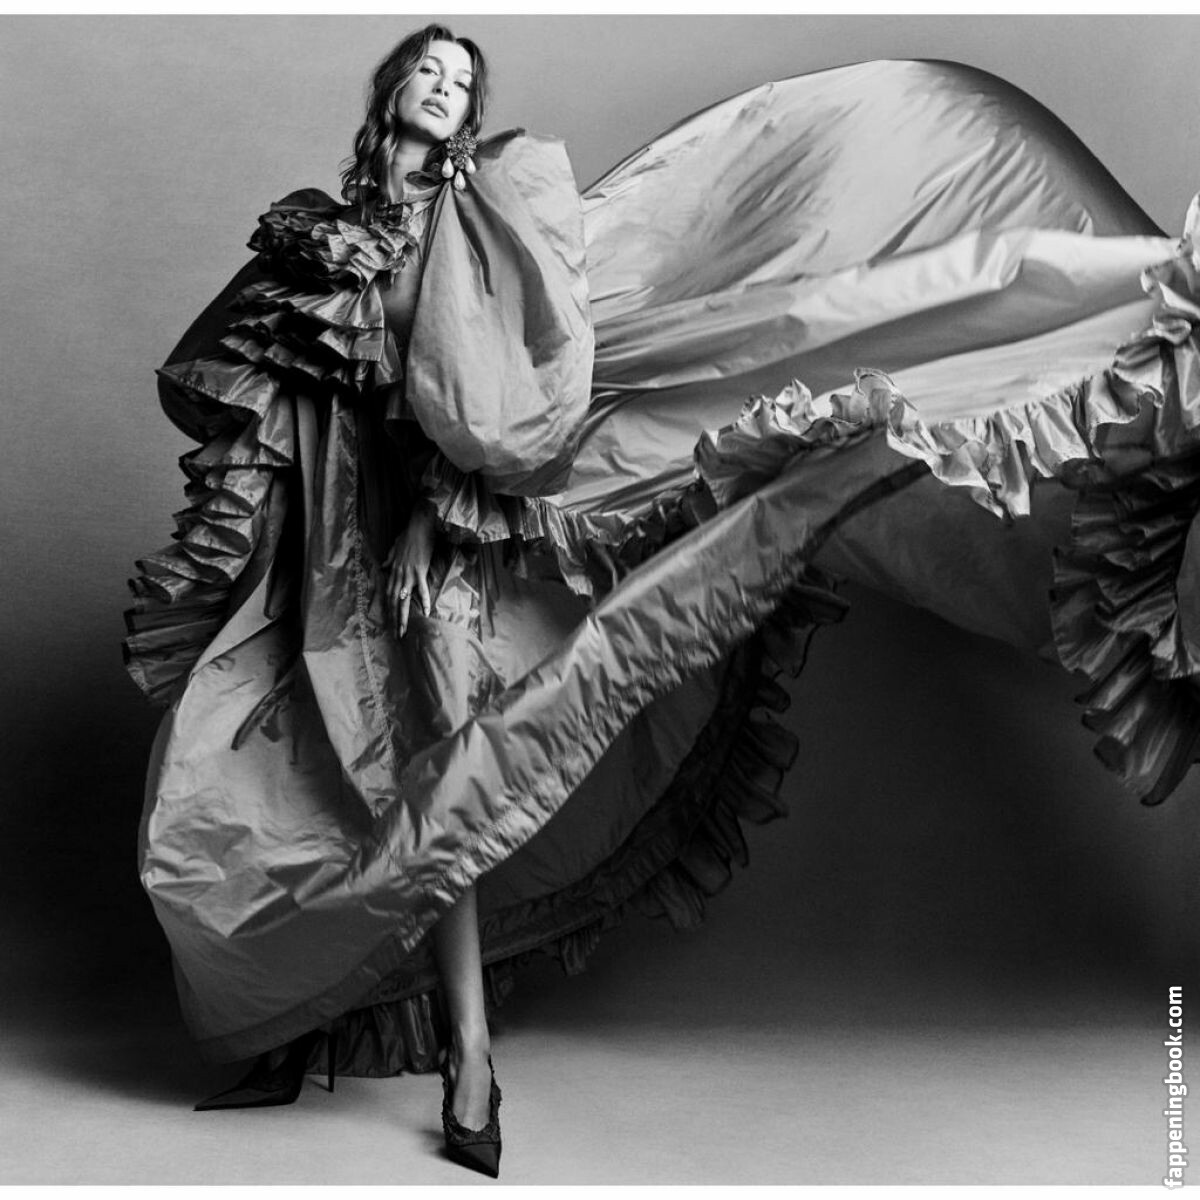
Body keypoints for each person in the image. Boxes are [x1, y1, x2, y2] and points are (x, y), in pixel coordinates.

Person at [128, 29, 1200, 1181]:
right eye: (428, 71)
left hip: (463, 527)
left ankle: (470, 1059)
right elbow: (300, 407)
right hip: (349, 547)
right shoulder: (323, 235)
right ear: (391, 89)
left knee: (447, 773)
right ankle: (297, 1024)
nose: (445, 87)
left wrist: (435, 528)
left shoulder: (485, 216)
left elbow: (506, 401)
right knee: (289, 768)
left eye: (463, 78)